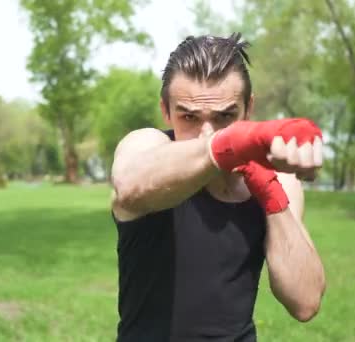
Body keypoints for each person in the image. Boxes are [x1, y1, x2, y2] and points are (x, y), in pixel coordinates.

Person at [110, 33, 326, 342]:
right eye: (189, 117)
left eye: (225, 116)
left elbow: (305, 302)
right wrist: (232, 144)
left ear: (248, 109)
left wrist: (270, 192)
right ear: (166, 111)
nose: (206, 133)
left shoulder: (277, 180)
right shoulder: (146, 146)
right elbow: (129, 186)